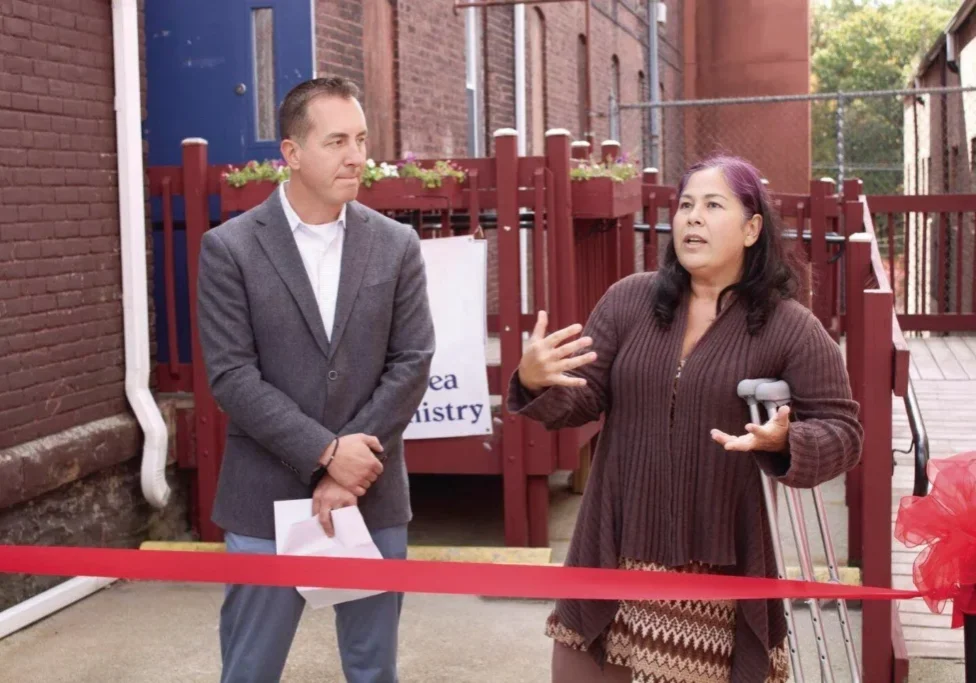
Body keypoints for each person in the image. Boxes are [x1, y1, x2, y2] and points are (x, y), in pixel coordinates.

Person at [509, 155, 863, 683]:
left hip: (715, 569)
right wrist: (536, 379)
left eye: (713, 205)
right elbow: (580, 402)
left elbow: (844, 430)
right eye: (686, 206)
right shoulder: (630, 300)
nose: (692, 218)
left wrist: (789, 439)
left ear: (751, 229)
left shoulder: (789, 326)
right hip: (612, 549)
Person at [196, 76, 435, 683]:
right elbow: (231, 376)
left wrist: (352, 468)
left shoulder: (396, 244)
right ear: (293, 153)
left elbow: (412, 362)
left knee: (372, 669)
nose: (356, 155)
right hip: (263, 501)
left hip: (372, 496)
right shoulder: (230, 249)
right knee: (249, 670)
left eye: (360, 139)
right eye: (336, 141)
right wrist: (327, 454)